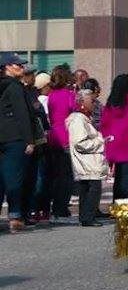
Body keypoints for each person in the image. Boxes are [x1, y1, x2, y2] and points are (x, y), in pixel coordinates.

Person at [0, 53, 36, 232]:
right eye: (18, 65)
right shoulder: (15, 87)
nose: (22, 68)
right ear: (7, 67)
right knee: (14, 178)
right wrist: (29, 140)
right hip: (14, 137)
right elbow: (22, 114)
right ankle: (15, 217)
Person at [66, 89, 107, 227]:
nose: (94, 104)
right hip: (87, 161)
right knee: (92, 189)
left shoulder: (85, 119)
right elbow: (80, 143)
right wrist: (100, 142)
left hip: (89, 160)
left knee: (88, 188)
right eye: (91, 101)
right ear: (82, 102)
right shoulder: (78, 120)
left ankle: (86, 216)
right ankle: (88, 217)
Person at [44, 66, 78, 224]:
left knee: (56, 174)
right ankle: (61, 207)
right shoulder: (69, 95)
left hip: (53, 134)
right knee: (66, 175)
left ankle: (56, 206)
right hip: (66, 134)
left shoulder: (51, 95)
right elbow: (75, 111)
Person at [30, 71, 52, 222]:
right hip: (38, 142)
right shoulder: (39, 101)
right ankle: (38, 208)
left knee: (38, 177)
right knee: (40, 177)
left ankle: (36, 209)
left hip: (36, 142)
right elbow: (44, 122)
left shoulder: (35, 99)